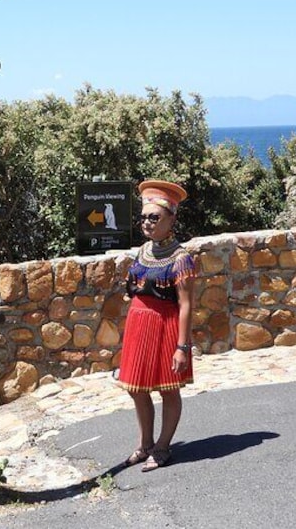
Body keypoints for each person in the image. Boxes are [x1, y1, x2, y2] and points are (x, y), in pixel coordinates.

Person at [118, 179, 196, 472]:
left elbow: (186, 304)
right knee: (136, 388)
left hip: (165, 326)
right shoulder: (142, 252)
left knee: (167, 389)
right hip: (140, 325)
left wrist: (182, 346)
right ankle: (145, 443)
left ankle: (163, 446)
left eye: (155, 217)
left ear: (171, 219)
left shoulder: (181, 258)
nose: (147, 223)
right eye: (144, 218)